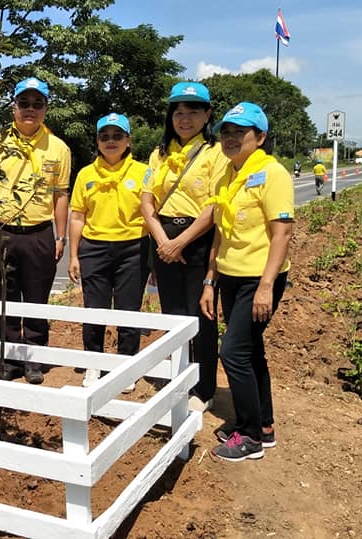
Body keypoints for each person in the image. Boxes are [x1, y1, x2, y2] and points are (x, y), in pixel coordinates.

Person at [200, 102, 293, 462]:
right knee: (251, 351)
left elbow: (282, 233)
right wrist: (210, 280)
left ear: (261, 137)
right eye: (226, 131)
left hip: (259, 277)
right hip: (230, 275)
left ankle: (250, 435)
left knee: (233, 352)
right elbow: (220, 233)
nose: (231, 138)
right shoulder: (227, 174)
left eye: (240, 132)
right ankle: (263, 426)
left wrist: (266, 286)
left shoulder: (272, 173)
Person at [140, 81, 231, 411]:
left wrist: (180, 241)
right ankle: (180, 378)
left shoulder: (215, 153)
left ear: (207, 115)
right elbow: (147, 202)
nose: (185, 119)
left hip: (197, 242)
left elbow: (214, 205)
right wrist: (163, 241)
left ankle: (204, 388)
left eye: (193, 111)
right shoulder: (160, 153)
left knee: (201, 316)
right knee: (173, 315)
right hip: (164, 241)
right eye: (178, 112)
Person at [0, 76, 71, 385]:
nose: (31, 109)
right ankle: (8, 361)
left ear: (45, 108)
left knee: (36, 300)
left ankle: (33, 359)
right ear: (13, 107)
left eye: (37, 103)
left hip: (39, 234)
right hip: (0, 232)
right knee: (4, 299)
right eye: (24, 103)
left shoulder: (58, 148)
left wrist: (60, 236)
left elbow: (60, 196)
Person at [67, 113, 150, 387]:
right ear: (97, 141)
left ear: (128, 140)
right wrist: (74, 255)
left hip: (133, 248)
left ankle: (126, 366)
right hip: (94, 249)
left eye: (117, 136)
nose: (110, 141)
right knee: (94, 310)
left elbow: (152, 213)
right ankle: (94, 363)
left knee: (128, 310)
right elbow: (77, 216)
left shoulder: (143, 172)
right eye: (104, 136)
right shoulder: (86, 174)